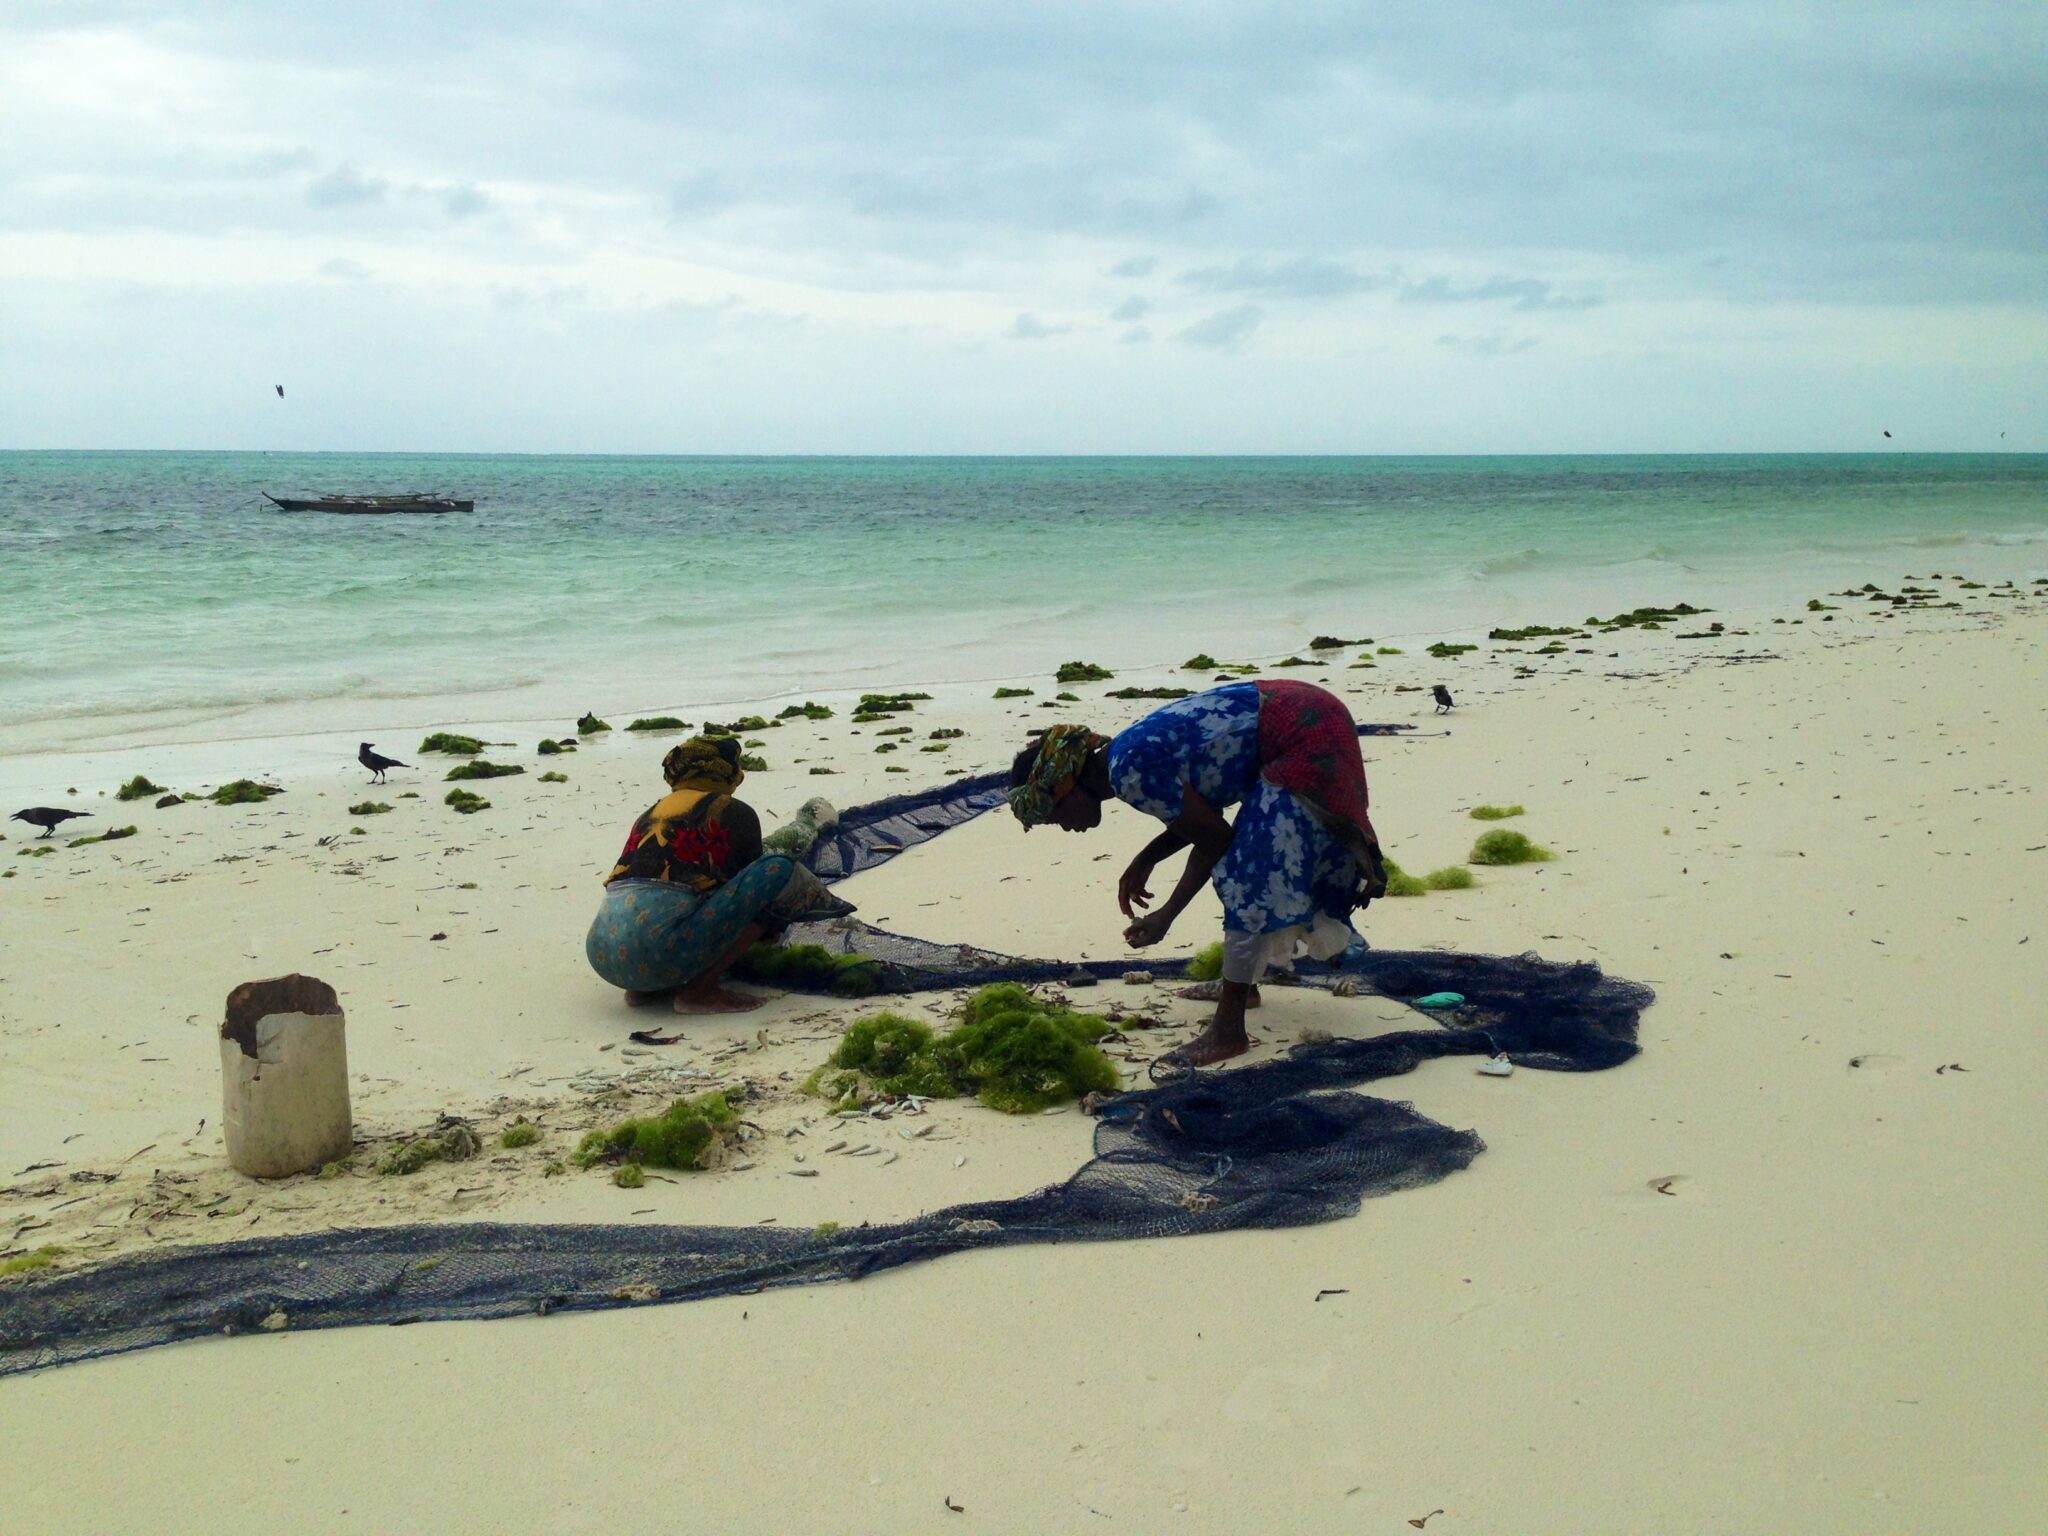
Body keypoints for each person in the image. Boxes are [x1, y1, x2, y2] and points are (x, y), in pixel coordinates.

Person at [1007, 679, 1386, 1068]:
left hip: (1307, 732)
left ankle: (1229, 1030)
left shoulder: (1129, 772)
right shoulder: (1123, 757)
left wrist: (1166, 914)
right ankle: (1243, 987)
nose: (1062, 828)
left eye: (1050, 817)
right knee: (1248, 859)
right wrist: (1147, 858)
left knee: (1246, 876)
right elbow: (1201, 814)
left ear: (1064, 787)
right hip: (1304, 711)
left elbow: (1216, 838)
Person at [586, 737, 848, 1014]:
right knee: (779, 868)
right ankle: (699, 992)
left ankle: (643, 990)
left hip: (603, 956)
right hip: (662, 955)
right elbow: (750, 883)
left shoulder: (649, 814)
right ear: (724, 770)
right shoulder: (733, 810)